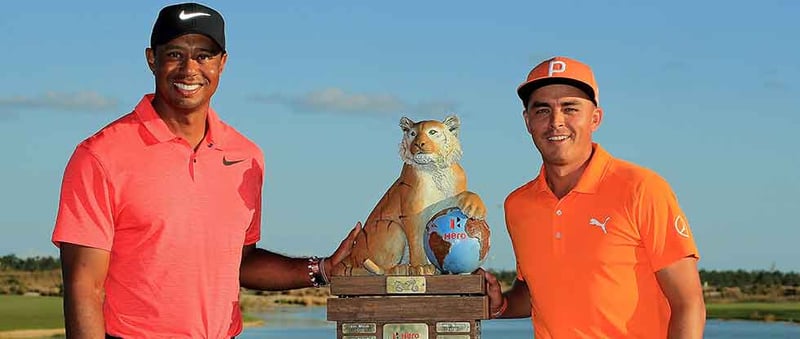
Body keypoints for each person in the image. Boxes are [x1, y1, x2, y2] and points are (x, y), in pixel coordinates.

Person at [51, 3, 361, 338]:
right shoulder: (99, 156)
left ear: (222, 63)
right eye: (174, 54)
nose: (189, 69)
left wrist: (323, 269)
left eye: (203, 55)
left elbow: (239, 263)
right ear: (151, 59)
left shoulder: (246, 156)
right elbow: (85, 287)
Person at [480, 56, 706, 338]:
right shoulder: (518, 205)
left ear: (595, 118)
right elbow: (537, 292)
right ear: (528, 121)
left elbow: (689, 303)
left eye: (570, 109)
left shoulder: (642, 188)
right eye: (542, 111)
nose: (556, 122)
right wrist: (502, 304)